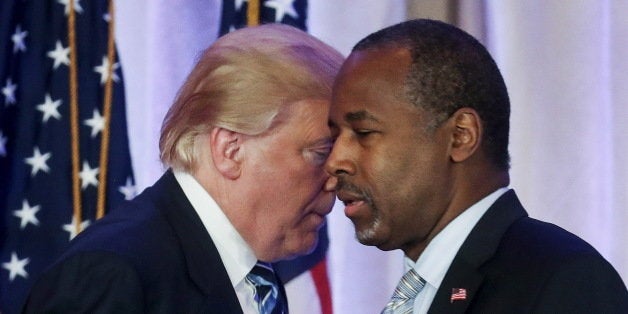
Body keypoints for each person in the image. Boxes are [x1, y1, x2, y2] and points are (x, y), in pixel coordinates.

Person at [22, 24, 343, 313]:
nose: (336, 179)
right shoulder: (111, 275)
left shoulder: (254, 278)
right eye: (320, 153)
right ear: (230, 150)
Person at [324, 19, 628, 313]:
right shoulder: (423, 290)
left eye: (363, 132)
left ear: (460, 137)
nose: (335, 161)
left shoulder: (564, 282)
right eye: (334, 137)